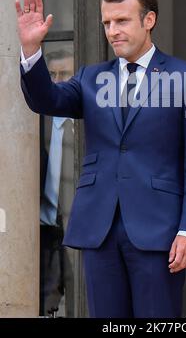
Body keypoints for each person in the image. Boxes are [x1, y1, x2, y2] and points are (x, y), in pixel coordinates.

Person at [16, 0, 186, 318]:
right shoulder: (90, 78)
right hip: (99, 228)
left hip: (159, 230)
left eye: (121, 21)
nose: (112, 31)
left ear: (148, 20)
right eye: (107, 22)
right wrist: (32, 51)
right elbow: (46, 100)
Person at [39, 50, 74, 317]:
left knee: (78, 298)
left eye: (65, 74)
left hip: (77, 226)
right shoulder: (37, 123)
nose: (58, 81)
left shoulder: (85, 123)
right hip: (42, 229)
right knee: (45, 302)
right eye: (52, 75)